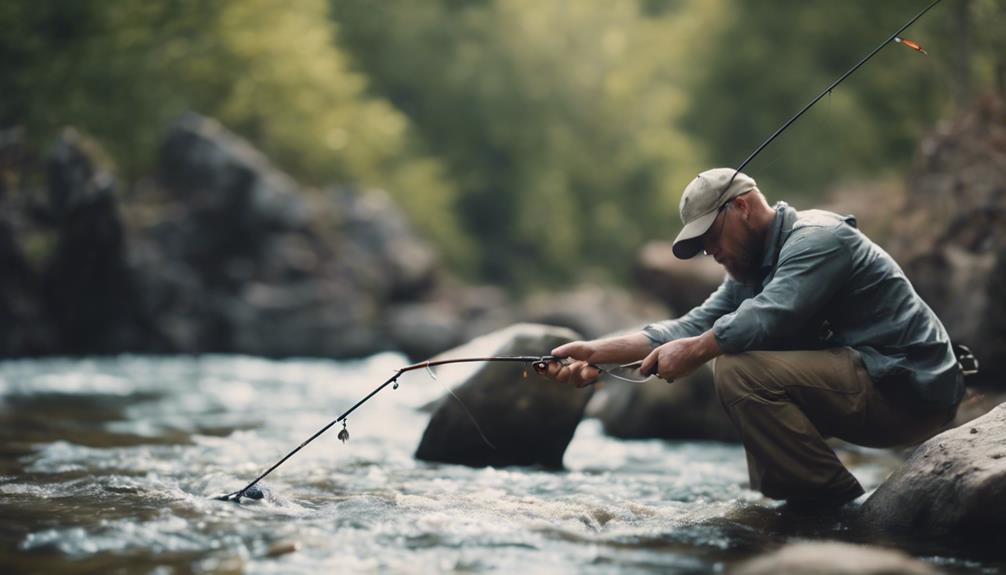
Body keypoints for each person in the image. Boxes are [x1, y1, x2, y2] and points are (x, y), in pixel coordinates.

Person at [538, 167, 965, 507]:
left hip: (909, 392)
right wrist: (597, 351)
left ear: (742, 207)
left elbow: (770, 315)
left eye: (710, 236)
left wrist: (696, 352)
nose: (710, 251)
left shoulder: (818, 238)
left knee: (739, 368)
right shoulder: (753, 266)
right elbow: (690, 324)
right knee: (735, 354)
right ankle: (792, 501)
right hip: (881, 393)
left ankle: (831, 507)